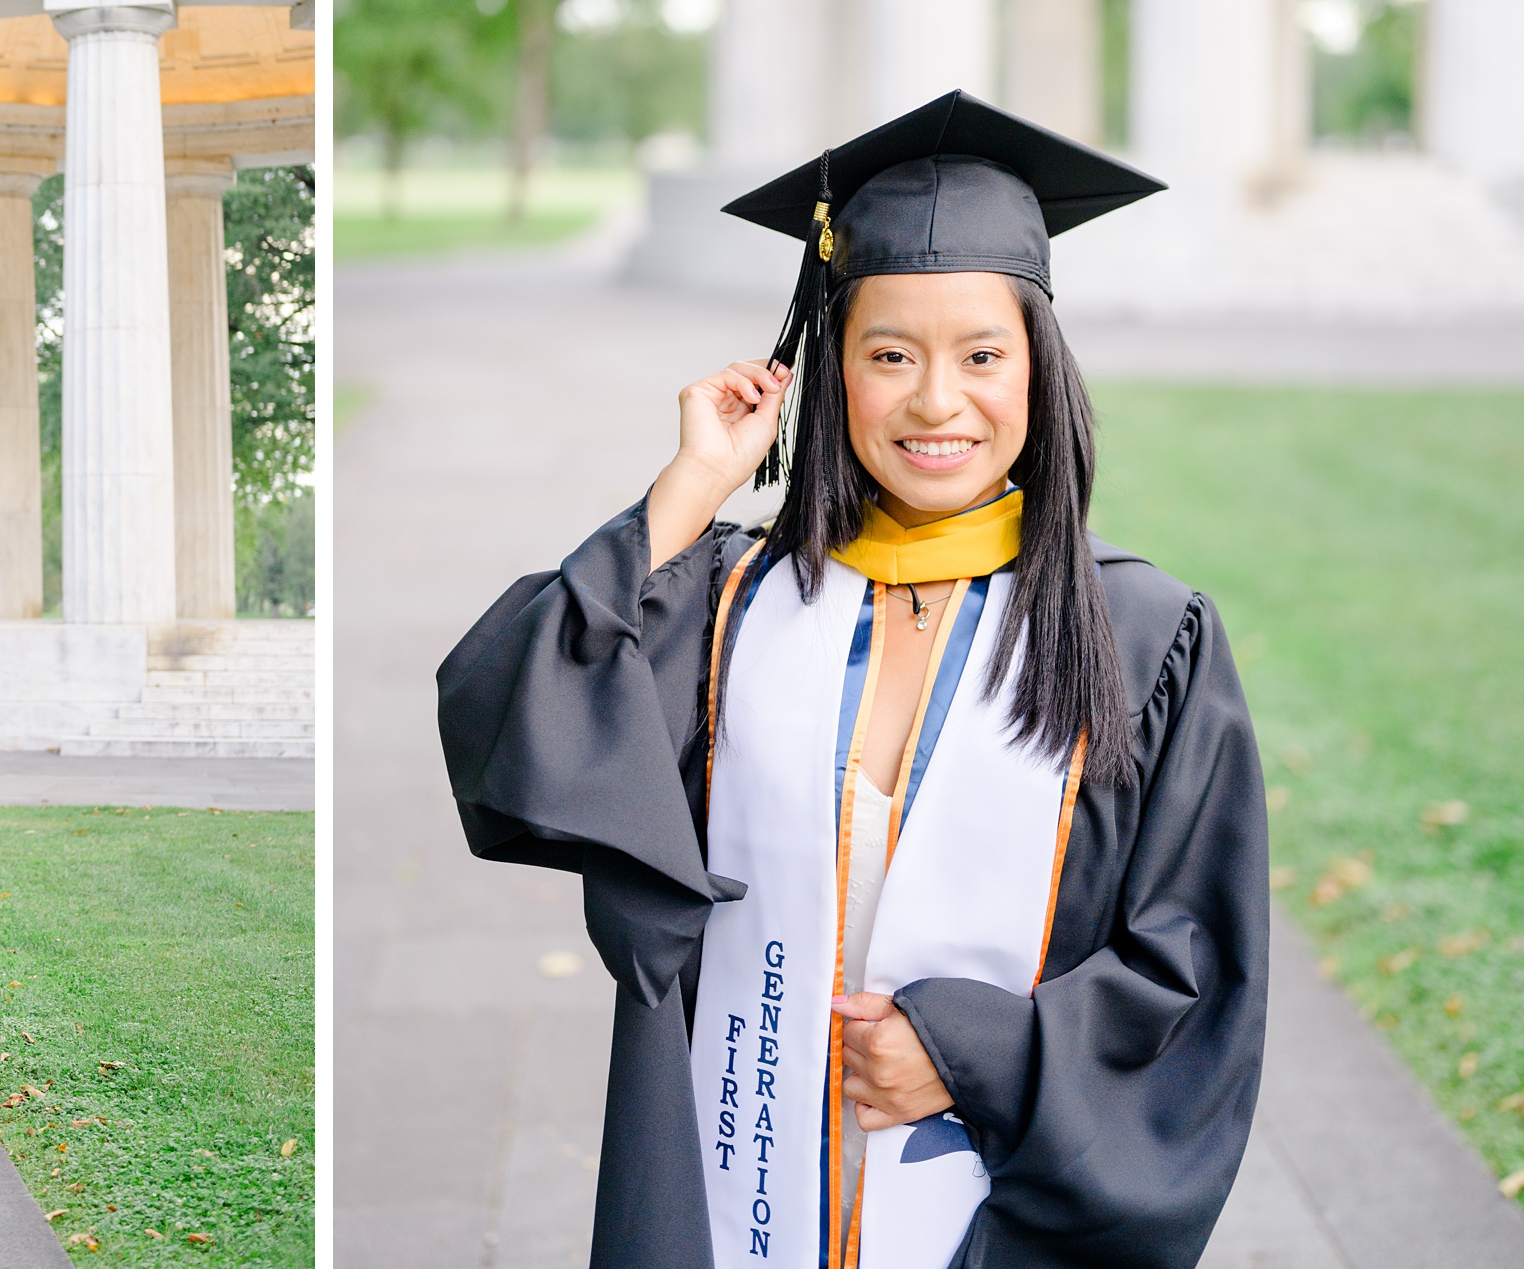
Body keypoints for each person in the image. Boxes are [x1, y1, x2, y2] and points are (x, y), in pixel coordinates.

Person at [438, 92, 1268, 1269]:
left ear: (1040, 369)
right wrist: (691, 489)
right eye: (890, 355)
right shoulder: (733, 600)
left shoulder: (1143, 635)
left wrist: (979, 1051)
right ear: (832, 368)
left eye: (983, 354)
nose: (938, 401)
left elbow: (1198, 981)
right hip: (733, 1197)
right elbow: (513, 709)